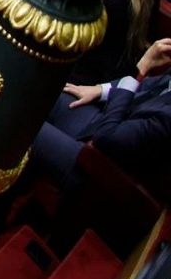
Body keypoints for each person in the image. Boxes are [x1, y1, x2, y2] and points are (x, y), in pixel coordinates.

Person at [34, 38, 171, 184]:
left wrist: (142, 68)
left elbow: (105, 140)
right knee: (46, 93)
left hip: (100, 172)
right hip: (102, 126)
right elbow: (148, 86)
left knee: (24, 124)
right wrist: (100, 90)